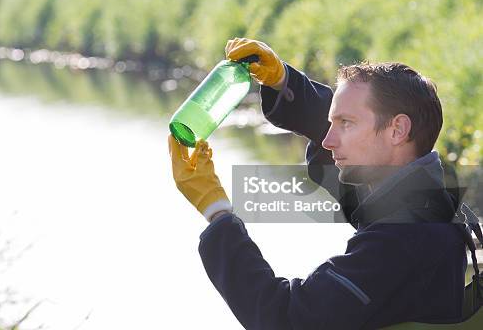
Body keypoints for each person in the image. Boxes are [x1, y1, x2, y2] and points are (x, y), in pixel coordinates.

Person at [168, 38, 468, 329]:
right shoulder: (429, 195)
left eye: (345, 123)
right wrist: (283, 82)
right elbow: (349, 141)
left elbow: (283, 319)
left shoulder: (397, 242)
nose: (328, 139)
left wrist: (217, 211)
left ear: (398, 129)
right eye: (333, 122)